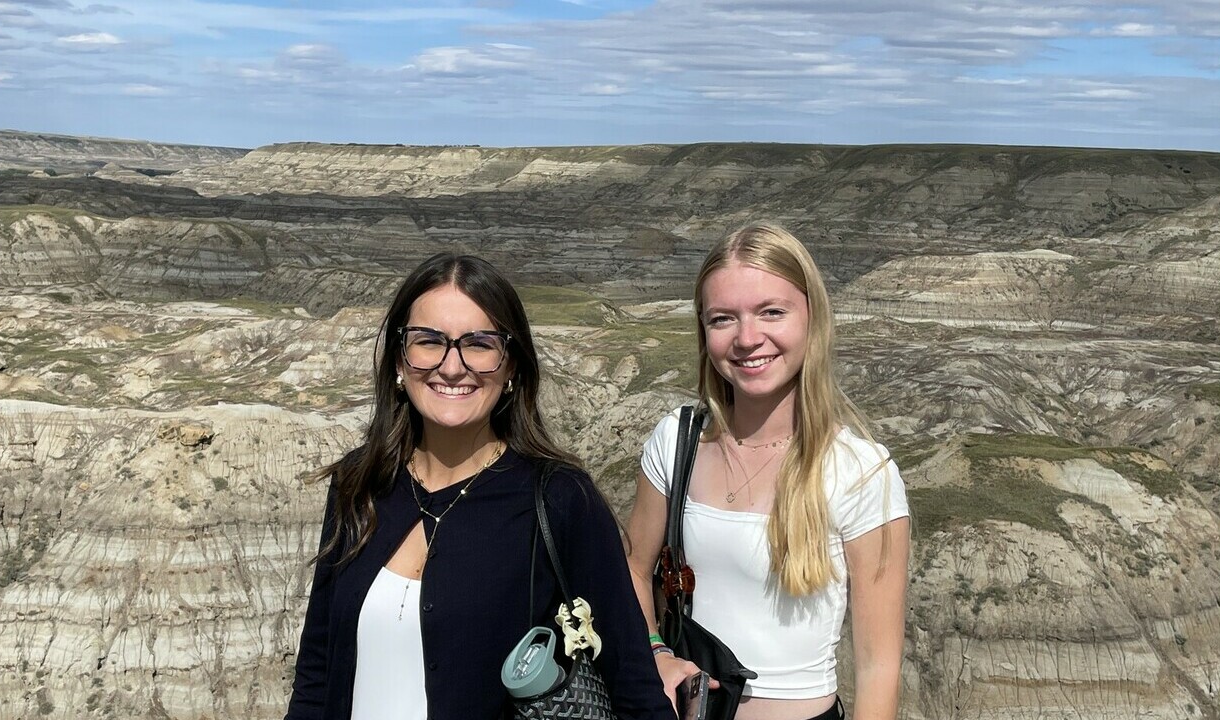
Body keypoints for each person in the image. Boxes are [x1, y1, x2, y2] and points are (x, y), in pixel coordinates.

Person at [288, 253, 674, 720]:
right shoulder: (360, 485)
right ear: (398, 359)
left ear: (511, 366)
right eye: (429, 341)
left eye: (479, 344)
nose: (452, 367)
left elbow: (632, 684)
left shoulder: (558, 499)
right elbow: (317, 672)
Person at [624, 224, 911, 720]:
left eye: (771, 312)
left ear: (811, 318)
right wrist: (655, 652)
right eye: (723, 319)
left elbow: (877, 668)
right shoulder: (677, 443)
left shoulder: (862, 473)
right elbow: (632, 565)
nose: (748, 339)